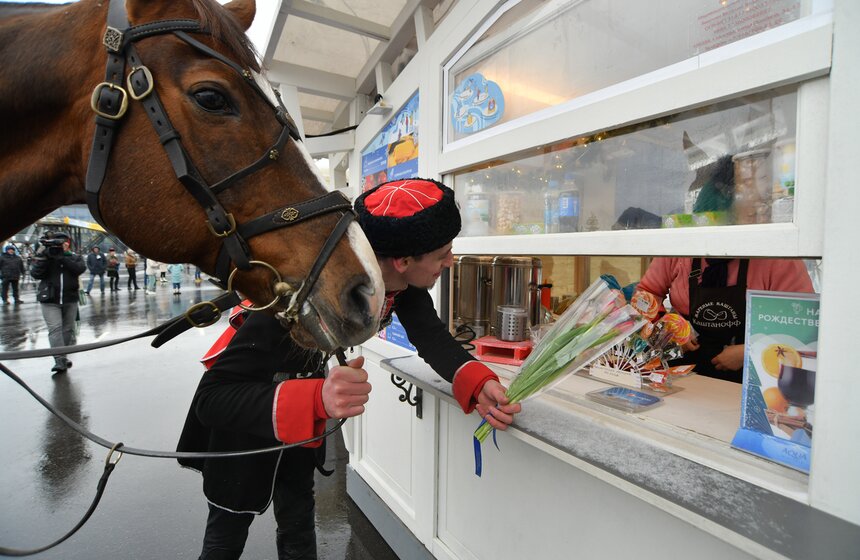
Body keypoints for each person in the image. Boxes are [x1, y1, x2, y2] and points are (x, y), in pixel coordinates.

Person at [177, 178, 520, 560]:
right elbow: (213, 400)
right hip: (244, 425)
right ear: (403, 261)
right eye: (443, 253)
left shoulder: (399, 285)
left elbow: (431, 336)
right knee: (226, 538)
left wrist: (477, 381)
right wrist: (317, 397)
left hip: (297, 424)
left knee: (298, 526)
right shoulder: (303, 290)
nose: (449, 261)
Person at [635, 257, 814, 382]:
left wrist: (750, 351)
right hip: (686, 362)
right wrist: (667, 326)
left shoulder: (776, 258)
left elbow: (803, 328)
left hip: (750, 372)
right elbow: (644, 296)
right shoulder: (680, 251)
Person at [29, 231, 86, 374]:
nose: (62, 245)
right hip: (49, 300)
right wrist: (44, 257)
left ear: (68, 244)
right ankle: (59, 360)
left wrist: (62, 258)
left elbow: (79, 269)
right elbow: (36, 274)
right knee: (55, 329)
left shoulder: (74, 257)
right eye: (58, 242)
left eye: (64, 242)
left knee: (68, 330)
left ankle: (63, 356)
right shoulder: (47, 257)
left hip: (70, 299)